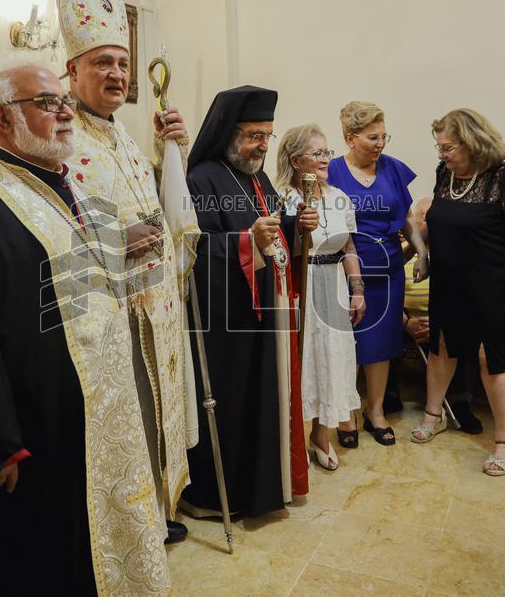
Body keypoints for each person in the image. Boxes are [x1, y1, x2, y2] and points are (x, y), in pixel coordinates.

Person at [0, 65, 171, 595]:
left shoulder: (59, 182)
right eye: (47, 102)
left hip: (93, 413)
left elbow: (64, 278)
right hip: (36, 427)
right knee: (47, 556)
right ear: (1, 117)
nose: (63, 113)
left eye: (64, 103)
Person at [56, 0, 196, 544]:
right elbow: (54, 226)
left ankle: (159, 511)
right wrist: (118, 242)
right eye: (102, 63)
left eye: (121, 63)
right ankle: (133, 522)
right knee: (128, 415)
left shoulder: (121, 133)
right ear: (72, 68)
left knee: (156, 408)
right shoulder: (57, 135)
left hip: (153, 302)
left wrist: (166, 155)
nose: (115, 73)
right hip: (108, 311)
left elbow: (151, 204)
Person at [181, 86, 318, 518]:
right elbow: (189, 249)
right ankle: (218, 496)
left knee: (264, 399)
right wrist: (245, 242)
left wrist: (298, 226)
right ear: (228, 132)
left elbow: (272, 231)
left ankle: (261, 489)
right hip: (226, 320)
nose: (262, 144)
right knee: (233, 402)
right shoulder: (202, 177)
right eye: (253, 134)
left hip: (264, 313)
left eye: (267, 135)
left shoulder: (257, 178)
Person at [412, 108, 505, 477]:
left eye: (447, 147)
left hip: (495, 285)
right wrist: (423, 255)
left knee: (492, 358)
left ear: (472, 143)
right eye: (439, 147)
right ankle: (434, 415)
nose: (441, 154)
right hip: (449, 283)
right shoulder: (446, 175)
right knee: (442, 347)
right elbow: (439, 224)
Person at [327, 101, 428, 446]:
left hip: (388, 271)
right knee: (348, 343)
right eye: (372, 137)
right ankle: (346, 413)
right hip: (345, 270)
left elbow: (408, 219)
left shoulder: (393, 170)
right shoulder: (332, 171)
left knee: (381, 345)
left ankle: (376, 411)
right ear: (350, 137)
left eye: (384, 136)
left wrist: (422, 252)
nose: (380, 144)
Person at [275, 124, 364, 469]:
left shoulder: (339, 196)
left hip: (334, 284)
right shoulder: (281, 196)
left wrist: (358, 289)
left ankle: (321, 434)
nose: (326, 159)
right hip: (301, 283)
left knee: (333, 356)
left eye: (327, 152)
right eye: (317, 153)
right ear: (296, 160)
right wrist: (297, 228)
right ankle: (291, 435)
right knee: (305, 357)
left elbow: (350, 247)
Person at [401, 198, 484, 434]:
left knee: (459, 335)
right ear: (415, 224)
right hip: (408, 320)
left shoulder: (455, 253)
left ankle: (461, 403)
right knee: (384, 329)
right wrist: (407, 323)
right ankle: (389, 394)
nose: (431, 224)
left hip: (445, 317)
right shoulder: (402, 253)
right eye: (424, 218)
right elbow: (387, 293)